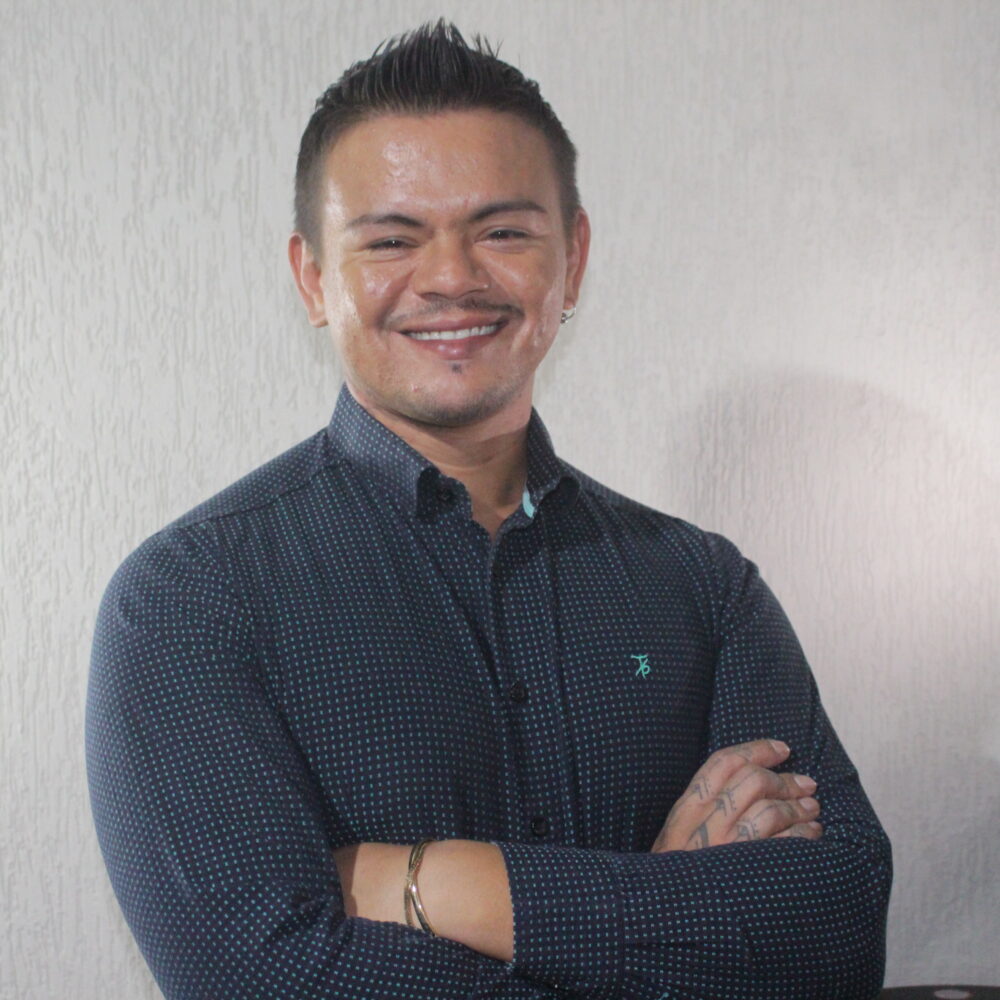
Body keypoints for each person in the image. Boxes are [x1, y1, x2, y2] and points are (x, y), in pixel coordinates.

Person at [86, 20, 891, 1000]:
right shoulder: (190, 599)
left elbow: (840, 931)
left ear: (574, 258)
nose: (451, 278)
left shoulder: (704, 587)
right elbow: (259, 974)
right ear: (312, 277)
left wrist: (438, 884)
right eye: (391, 239)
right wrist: (674, 914)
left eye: (502, 232)